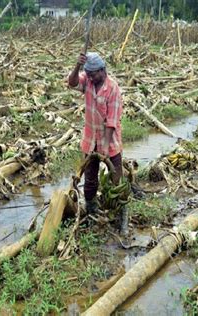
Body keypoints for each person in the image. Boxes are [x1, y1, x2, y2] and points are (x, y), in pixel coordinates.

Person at [68, 52, 128, 233]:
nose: (91, 77)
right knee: (90, 178)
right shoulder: (87, 80)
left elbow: (112, 121)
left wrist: (105, 149)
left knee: (116, 178)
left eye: (93, 74)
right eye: (89, 74)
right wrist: (77, 66)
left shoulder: (113, 88)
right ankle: (91, 208)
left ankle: (121, 214)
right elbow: (71, 83)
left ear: (102, 70)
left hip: (109, 140)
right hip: (89, 138)